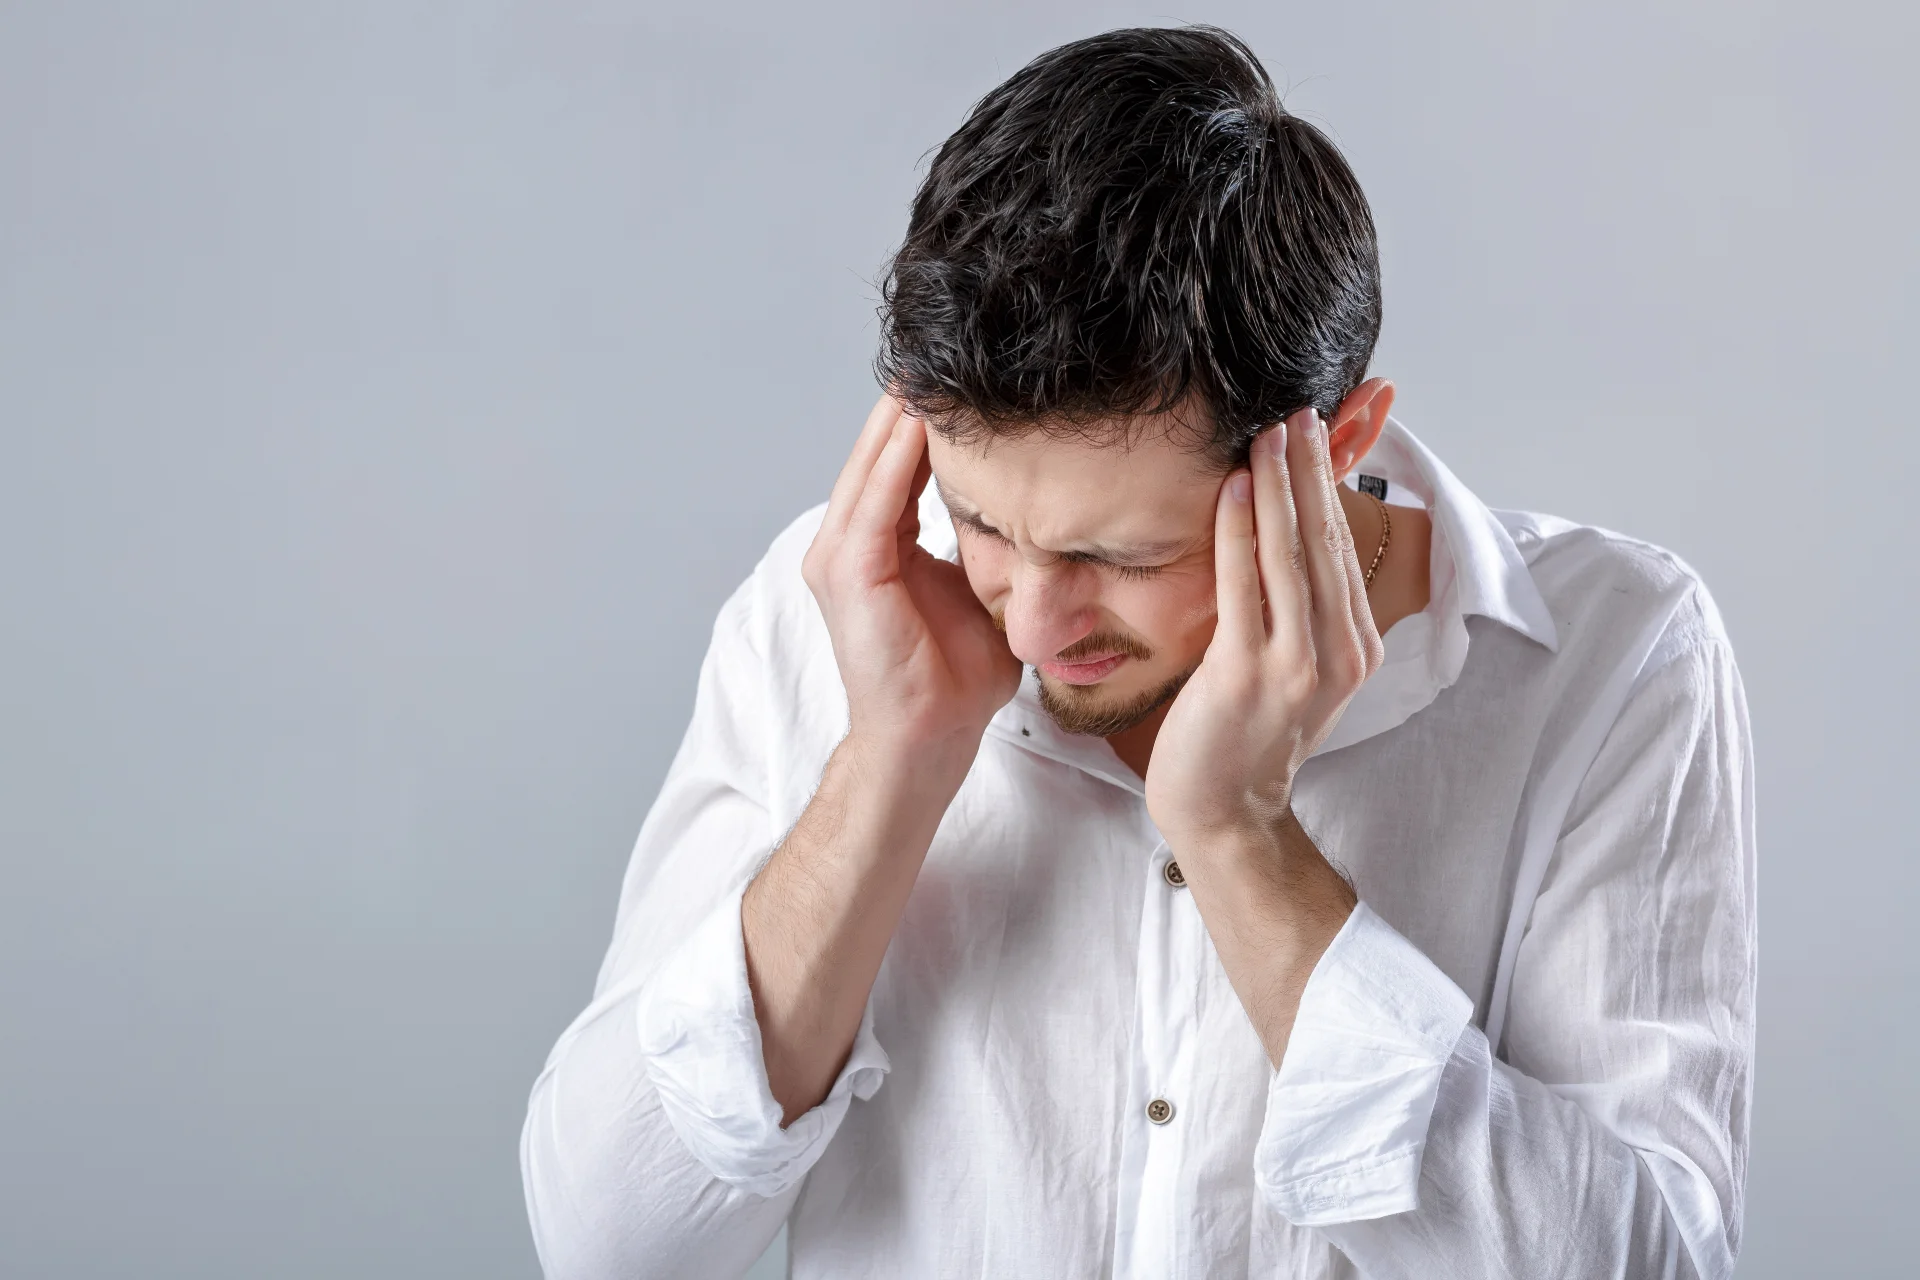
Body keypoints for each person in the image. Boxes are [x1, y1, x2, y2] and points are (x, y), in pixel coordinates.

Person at [520, 25, 1755, 1280]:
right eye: (983, 522)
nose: (1029, 624)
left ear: (1337, 445)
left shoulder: (1610, 657)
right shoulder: (824, 611)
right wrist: (892, 758)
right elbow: (607, 1244)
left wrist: (1240, 840)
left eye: (1121, 555)